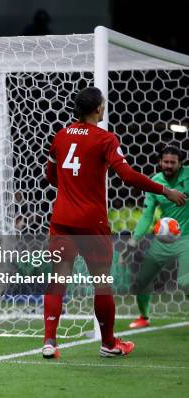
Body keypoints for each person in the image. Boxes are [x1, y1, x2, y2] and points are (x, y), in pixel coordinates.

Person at [43, 87, 186, 359]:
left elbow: (50, 176)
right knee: (102, 283)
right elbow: (128, 176)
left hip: (61, 220)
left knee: (58, 279)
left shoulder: (60, 136)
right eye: (104, 104)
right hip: (92, 223)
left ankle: (49, 342)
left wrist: (73, 188)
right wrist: (164, 190)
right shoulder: (105, 139)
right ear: (98, 108)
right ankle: (108, 344)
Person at [126, 145, 188, 328]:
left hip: (187, 238)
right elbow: (147, 215)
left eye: (172, 162)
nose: (168, 165)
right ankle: (144, 317)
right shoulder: (156, 182)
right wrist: (134, 239)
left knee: (186, 282)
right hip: (164, 240)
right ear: (160, 162)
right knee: (142, 280)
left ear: (181, 163)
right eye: (165, 162)